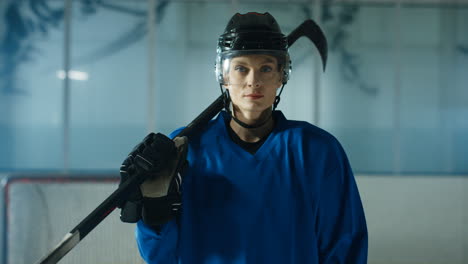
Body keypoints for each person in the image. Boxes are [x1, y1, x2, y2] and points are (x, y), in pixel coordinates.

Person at [119, 12, 368, 264]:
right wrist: (152, 212)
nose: (253, 81)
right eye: (241, 68)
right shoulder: (184, 148)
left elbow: (344, 243)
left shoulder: (317, 150)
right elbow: (160, 256)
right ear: (223, 76)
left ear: (282, 75)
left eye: (266, 68)